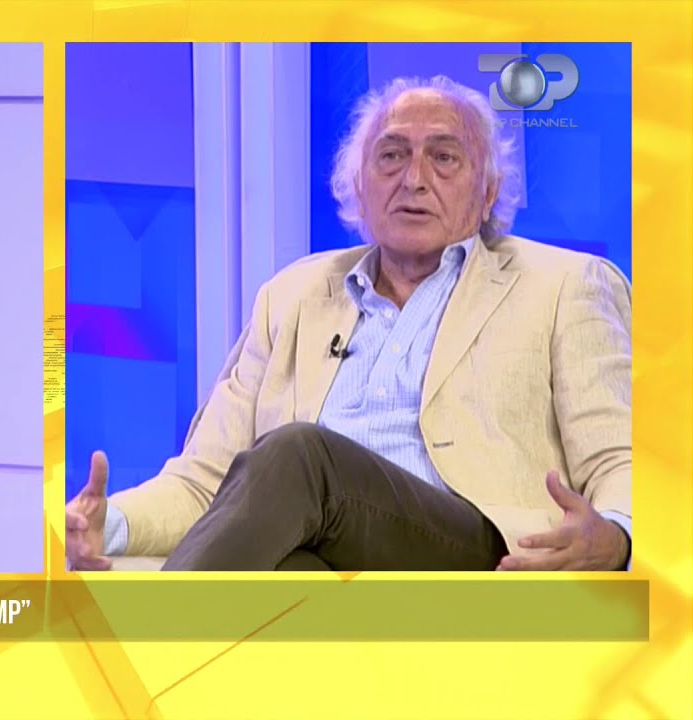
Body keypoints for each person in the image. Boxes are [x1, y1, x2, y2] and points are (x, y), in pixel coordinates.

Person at [66, 75, 632, 572]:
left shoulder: (565, 285)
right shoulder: (291, 296)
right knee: (283, 567)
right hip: (322, 547)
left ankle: (148, 645)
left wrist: (615, 535)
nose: (414, 179)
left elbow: (619, 457)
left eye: (444, 157)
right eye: (391, 156)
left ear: (487, 193)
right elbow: (207, 483)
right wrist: (107, 524)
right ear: (360, 187)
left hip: (474, 551)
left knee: (298, 455)